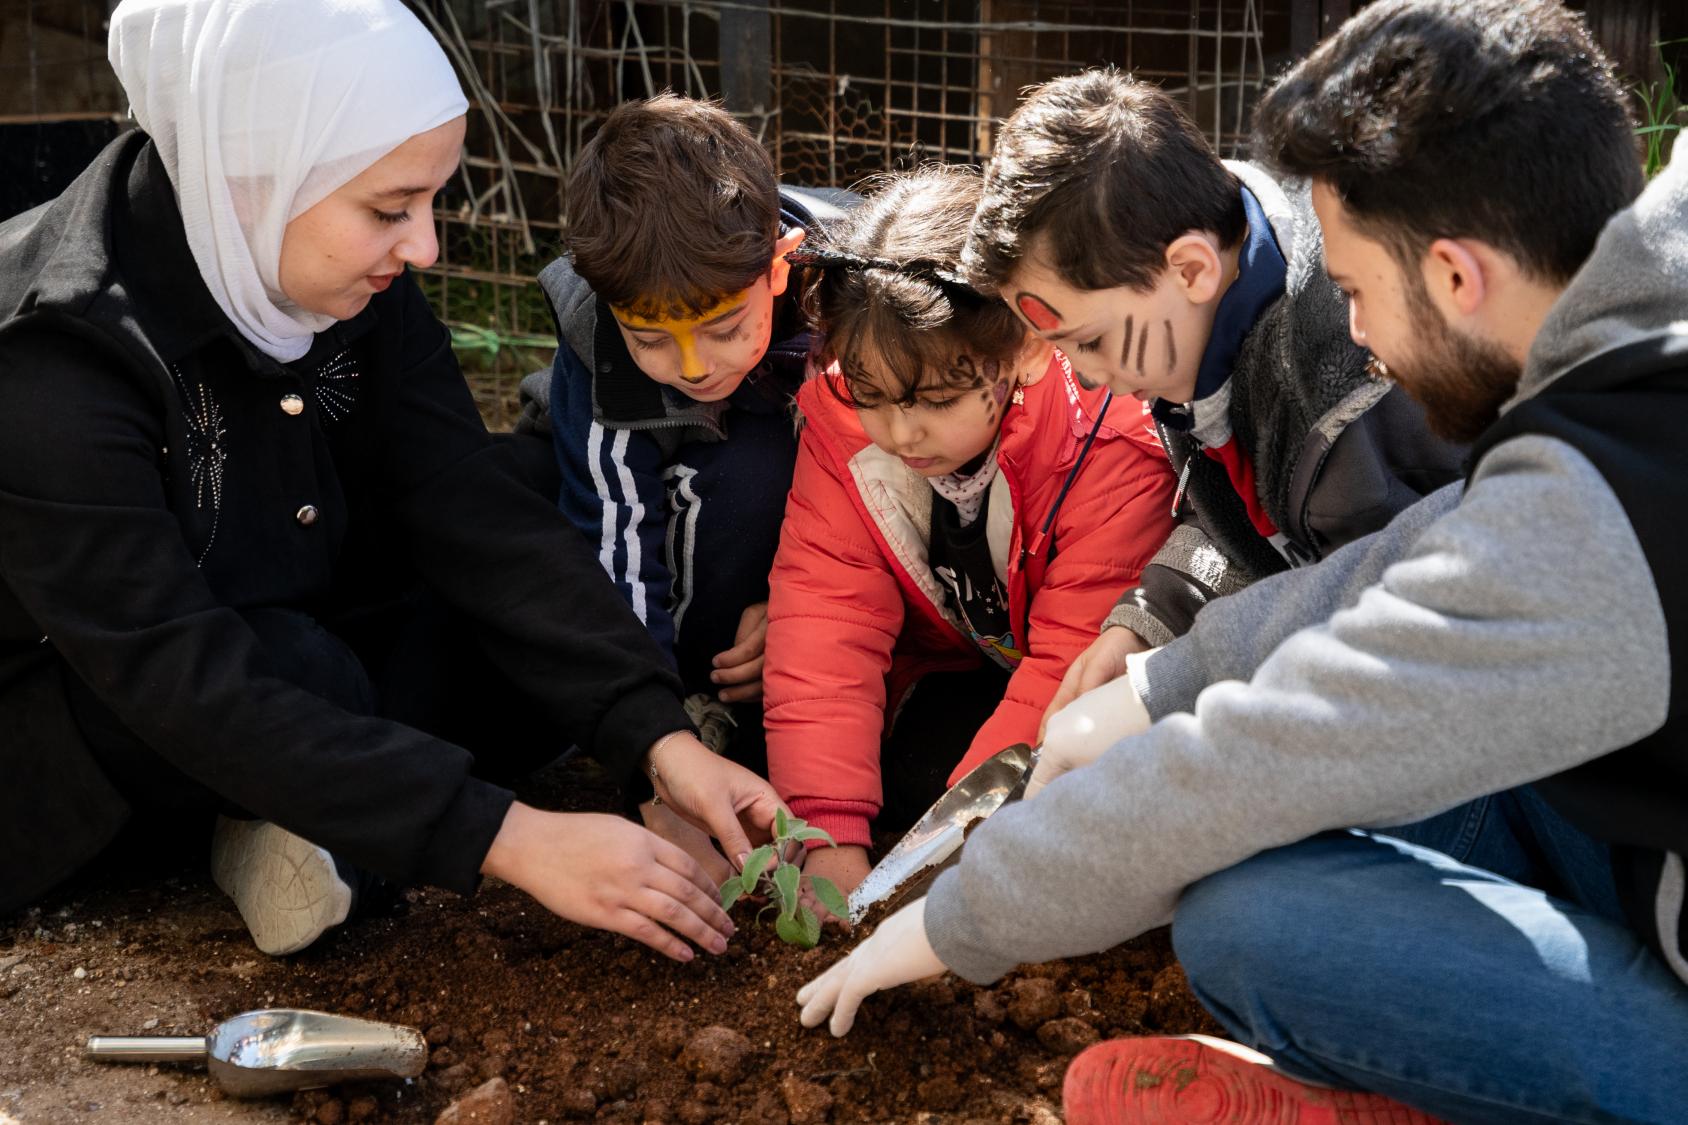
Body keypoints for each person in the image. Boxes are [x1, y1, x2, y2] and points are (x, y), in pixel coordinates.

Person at [795, 2, 1688, 1122]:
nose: (1353, 329)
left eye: (1357, 290)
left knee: (1247, 922)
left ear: (1456, 277)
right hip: (1639, 837)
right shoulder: (1642, 321)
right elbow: (1423, 553)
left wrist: (954, 922)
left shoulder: (1577, 525)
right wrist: (1161, 682)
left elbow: (1279, 751)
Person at [0, 0, 782, 964]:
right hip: (105, 712)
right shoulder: (54, 359)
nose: (425, 249)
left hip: (298, 610)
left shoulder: (323, 263)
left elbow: (464, 498)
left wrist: (658, 738)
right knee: (300, 666)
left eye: (430, 203)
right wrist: (516, 838)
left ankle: (319, 817)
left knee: (537, 496)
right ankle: (302, 822)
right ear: (260, 179)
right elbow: (176, 672)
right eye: (389, 210)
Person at [957, 69, 1462, 739]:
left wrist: (1171, 683)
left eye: (1092, 341)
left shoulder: (1346, 384)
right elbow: (1242, 507)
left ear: (1190, 268)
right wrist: (1156, 613)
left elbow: (1375, 616)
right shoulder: (1203, 327)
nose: (1088, 378)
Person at [762, 167, 1175, 900]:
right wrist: (827, 835)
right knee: (883, 767)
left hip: (1072, 680)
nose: (899, 432)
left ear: (1024, 347)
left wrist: (944, 856)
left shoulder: (1107, 444)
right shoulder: (839, 424)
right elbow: (827, 624)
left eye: (938, 400)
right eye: (874, 397)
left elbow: (1065, 671)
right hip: (956, 663)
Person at [512, 98, 854, 805]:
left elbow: (874, 482)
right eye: (651, 340)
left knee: (756, 468)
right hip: (671, 550)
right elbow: (615, 538)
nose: (694, 366)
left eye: (725, 326)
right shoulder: (597, 340)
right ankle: (690, 714)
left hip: (817, 579)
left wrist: (793, 606)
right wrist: (652, 752)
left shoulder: (854, 290)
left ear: (780, 266)